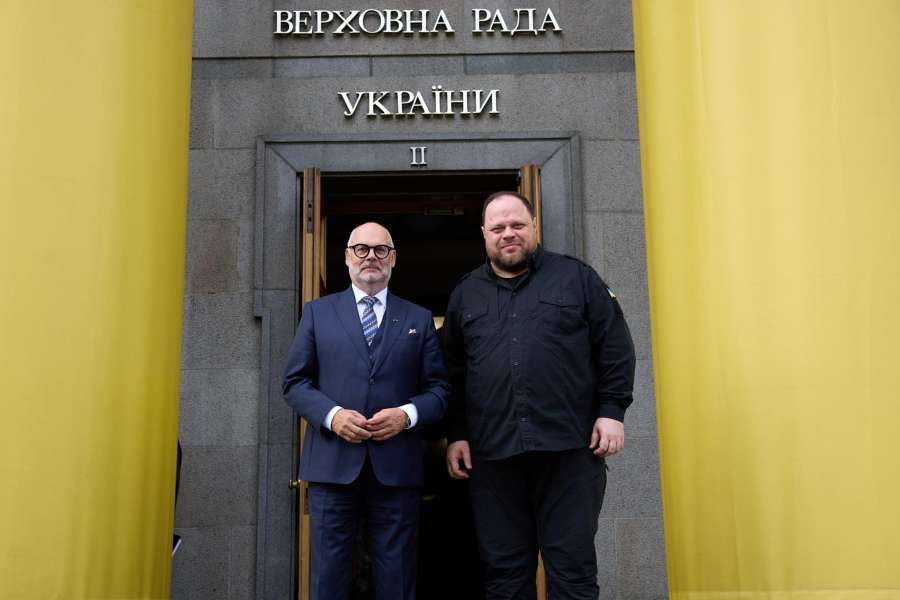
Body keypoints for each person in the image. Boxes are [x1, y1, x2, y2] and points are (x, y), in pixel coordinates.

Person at [442, 192, 635, 600]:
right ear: (484, 234)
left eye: (517, 225)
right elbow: (453, 372)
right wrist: (456, 433)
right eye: (498, 228)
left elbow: (615, 348)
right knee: (505, 578)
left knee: (573, 574)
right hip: (494, 458)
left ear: (534, 226)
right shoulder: (465, 293)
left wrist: (611, 411)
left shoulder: (577, 278)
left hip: (570, 452)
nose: (508, 234)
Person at [283, 222, 450, 600]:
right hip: (332, 468)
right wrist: (333, 416)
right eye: (361, 249)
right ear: (347, 257)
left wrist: (406, 415)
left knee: (397, 578)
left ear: (393, 259)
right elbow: (294, 382)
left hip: (396, 470)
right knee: (328, 579)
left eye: (380, 249)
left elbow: (440, 391)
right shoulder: (318, 313)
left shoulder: (419, 319)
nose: (370, 256)